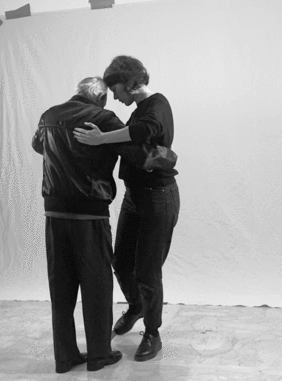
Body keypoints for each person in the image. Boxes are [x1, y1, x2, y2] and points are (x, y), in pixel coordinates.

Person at [32, 76, 176, 373]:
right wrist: (167, 157)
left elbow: (38, 145)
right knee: (96, 285)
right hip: (90, 214)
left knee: (61, 288)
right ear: (99, 98)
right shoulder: (102, 118)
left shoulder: (49, 115)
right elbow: (136, 152)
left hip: (54, 214)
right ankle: (99, 354)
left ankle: (65, 357)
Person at [73, 55, 180, 362]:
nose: (115, 97)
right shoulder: (138, 110)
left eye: (115, 89)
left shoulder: (157, 104)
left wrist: (103, 138)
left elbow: (146, 130)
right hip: (135, 196)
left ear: (128, 82)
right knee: (120, 262)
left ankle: (153, 332)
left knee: (147, 270)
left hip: (159, 197)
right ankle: (137, 306)